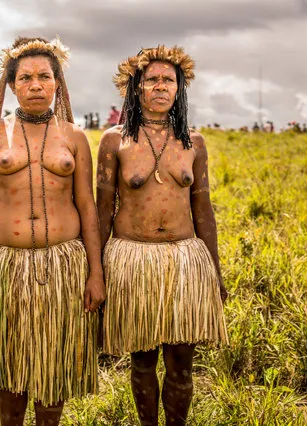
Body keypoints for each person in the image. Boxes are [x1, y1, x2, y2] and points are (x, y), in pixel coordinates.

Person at [0, 36, 104, 425]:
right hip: (6, 267)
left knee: (53, 371)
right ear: (12, 85)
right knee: (12, 373)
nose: (35, 85)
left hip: (62, 266)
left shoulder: (74, 136)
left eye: (44, 77)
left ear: (57, 83)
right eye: (26, 78)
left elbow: (87, 204)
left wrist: (96, 273)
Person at [97, 45, 228, 425]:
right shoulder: (114, 140)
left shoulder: (193, 141)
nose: (159, 86)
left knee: (181, 364)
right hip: (132, 260)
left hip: (185, 261)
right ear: (136, 88)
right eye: (150, 79)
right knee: (141, 361)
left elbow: (203, 211)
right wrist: (97, 270)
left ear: (179, 88)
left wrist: (214, 273)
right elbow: (101, 210)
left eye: (167, 80)